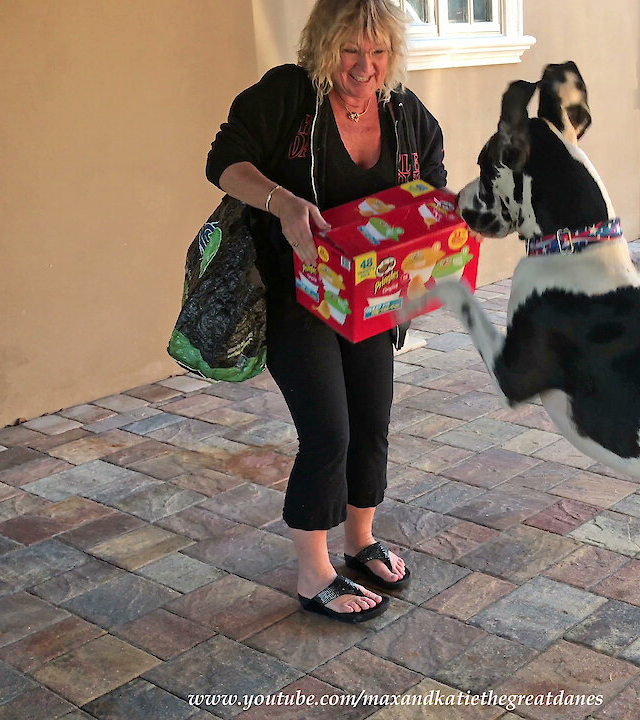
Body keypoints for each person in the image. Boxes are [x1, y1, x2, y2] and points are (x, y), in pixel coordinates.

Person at [205, 0, 446, 622]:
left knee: (371, 422)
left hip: (371, 298)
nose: (364, 66)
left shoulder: (406, 114)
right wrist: (282, 202)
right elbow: (224, 163)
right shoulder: (287, 96)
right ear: (323, 44)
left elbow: (431, 193)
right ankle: (314, 573)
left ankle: (360, 540)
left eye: (378, 52)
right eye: (349, 50)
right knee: (329, 432)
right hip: (295, 294)